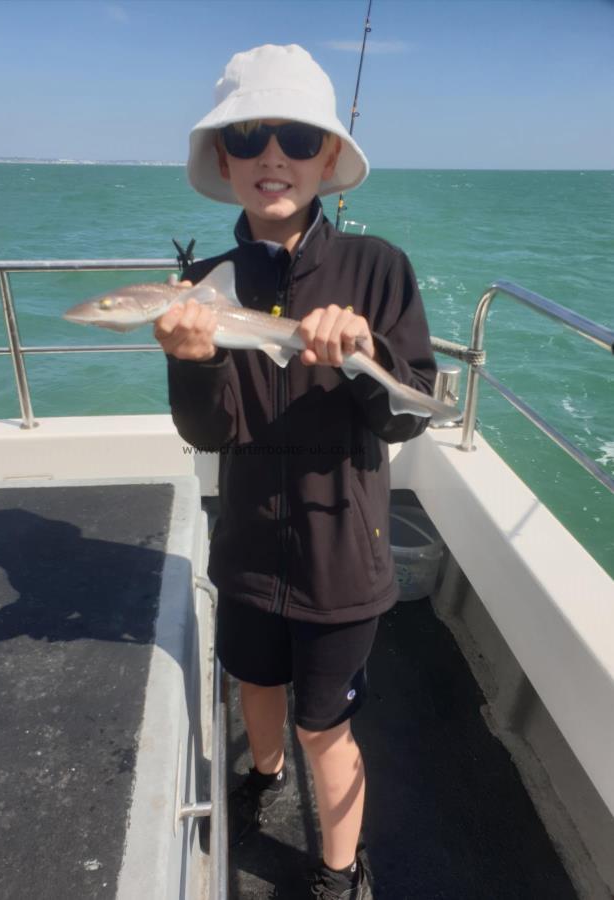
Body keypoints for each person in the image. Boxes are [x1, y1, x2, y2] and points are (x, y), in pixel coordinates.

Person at [154, 44, 437, 900]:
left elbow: (407, 410)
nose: (270, 153)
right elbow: (208, 431)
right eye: (247, 135)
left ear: (325, 158)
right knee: (255, 685)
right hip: (245, 544)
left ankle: (339, 870)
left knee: (326, 724)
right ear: (223, 159)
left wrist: (363, 355)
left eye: (293, 135)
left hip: (340, 556)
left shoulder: (377, 268)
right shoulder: (204, 284)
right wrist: (192, 362)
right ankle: (261, 775)